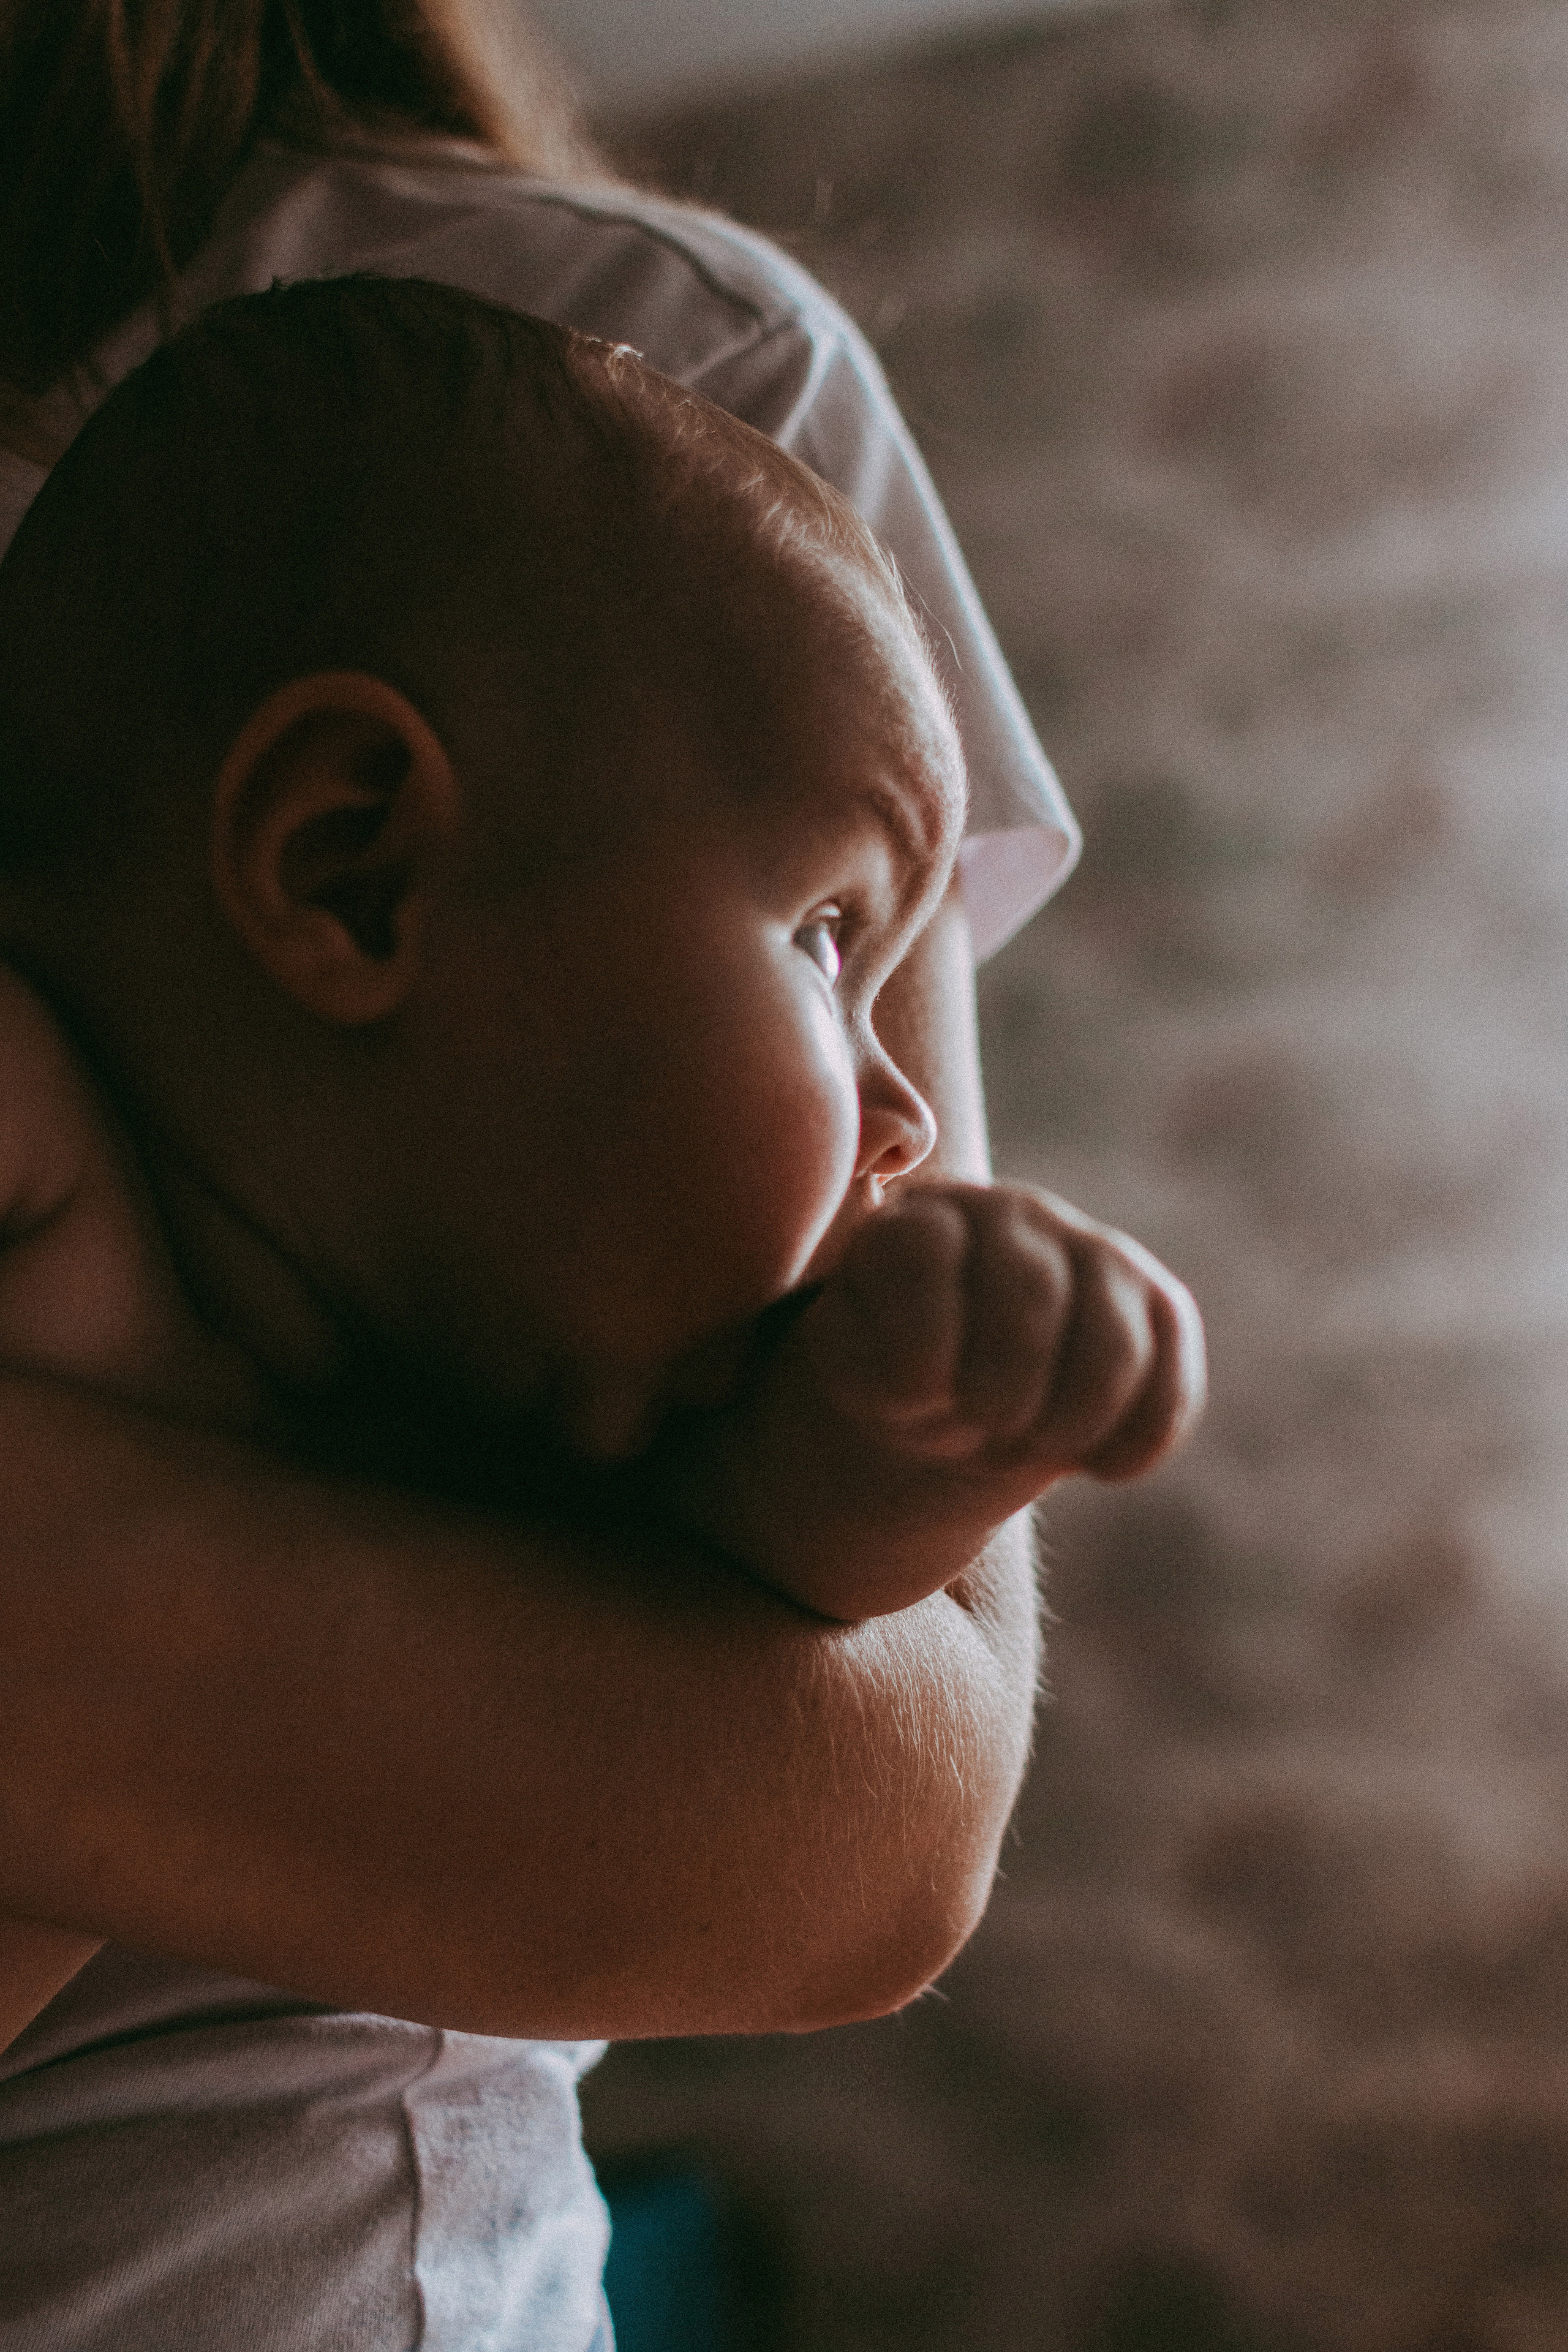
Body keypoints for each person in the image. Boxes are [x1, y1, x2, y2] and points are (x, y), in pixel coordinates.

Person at [0, 280, 1202, 2347]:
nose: (913, 1113)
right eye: (828, 934)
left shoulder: (461, 1391)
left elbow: (752, 1613)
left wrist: (912, 1452)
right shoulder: (45, 1135)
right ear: (359, 871)